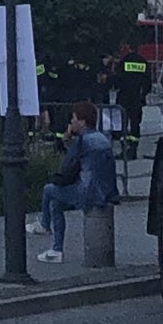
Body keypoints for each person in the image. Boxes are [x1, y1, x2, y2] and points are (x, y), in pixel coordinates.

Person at [28, 101, 119, 263]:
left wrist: (67, 141)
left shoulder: (82, 141)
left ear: (82, 122)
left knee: (48, 189)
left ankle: (44, 225)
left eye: (74, 119)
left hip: (88, 192)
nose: (71, 122)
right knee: (56, 204)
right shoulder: (102, 138)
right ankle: (55, 250)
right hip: (106, 192)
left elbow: (67, 166)